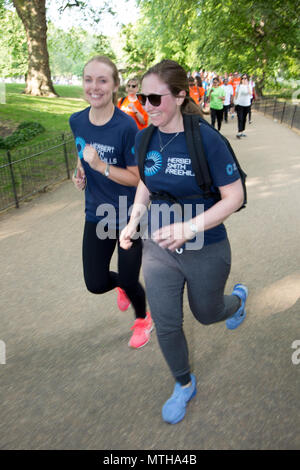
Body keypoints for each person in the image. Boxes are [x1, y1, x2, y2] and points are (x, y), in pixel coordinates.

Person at [120, 59, 248, 424]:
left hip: (205, 245)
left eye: (156, 98)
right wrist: (133, 222)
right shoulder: (145, 137)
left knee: (206, 314)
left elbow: (234, 197)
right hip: (159, 246)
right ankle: (183, 382)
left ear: (179, 96)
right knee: (167, 322)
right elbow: (146, 182)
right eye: (143, 98)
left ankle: (236, 301)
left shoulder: (206, 138)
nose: (148, 106)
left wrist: (189, 228)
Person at [69, 55, 152, 349]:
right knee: (95, 283)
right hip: (97, 214)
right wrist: (81, 173)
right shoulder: (77, 120)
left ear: (115, 85)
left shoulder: (127, 127)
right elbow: (82, 155)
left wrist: (102, 165)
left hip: (130, 215)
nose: (94, 86)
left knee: (131, 279)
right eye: (88, 79)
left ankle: (143, 318)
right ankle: (122, 285)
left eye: (102, 80)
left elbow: (138, 178)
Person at [234, 73, 253, 138]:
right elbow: (236, 94)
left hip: (247, 104)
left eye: (245, 78)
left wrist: (247, 85)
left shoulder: (249, 86)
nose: (244, 80)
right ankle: (239, 132)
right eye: (242, 78)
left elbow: (250, 93)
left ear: (248, 79)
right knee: (240, 117)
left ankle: (242, 131)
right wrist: (235, 102)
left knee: (244, 118)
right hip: (240, 104)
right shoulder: (239, 86)